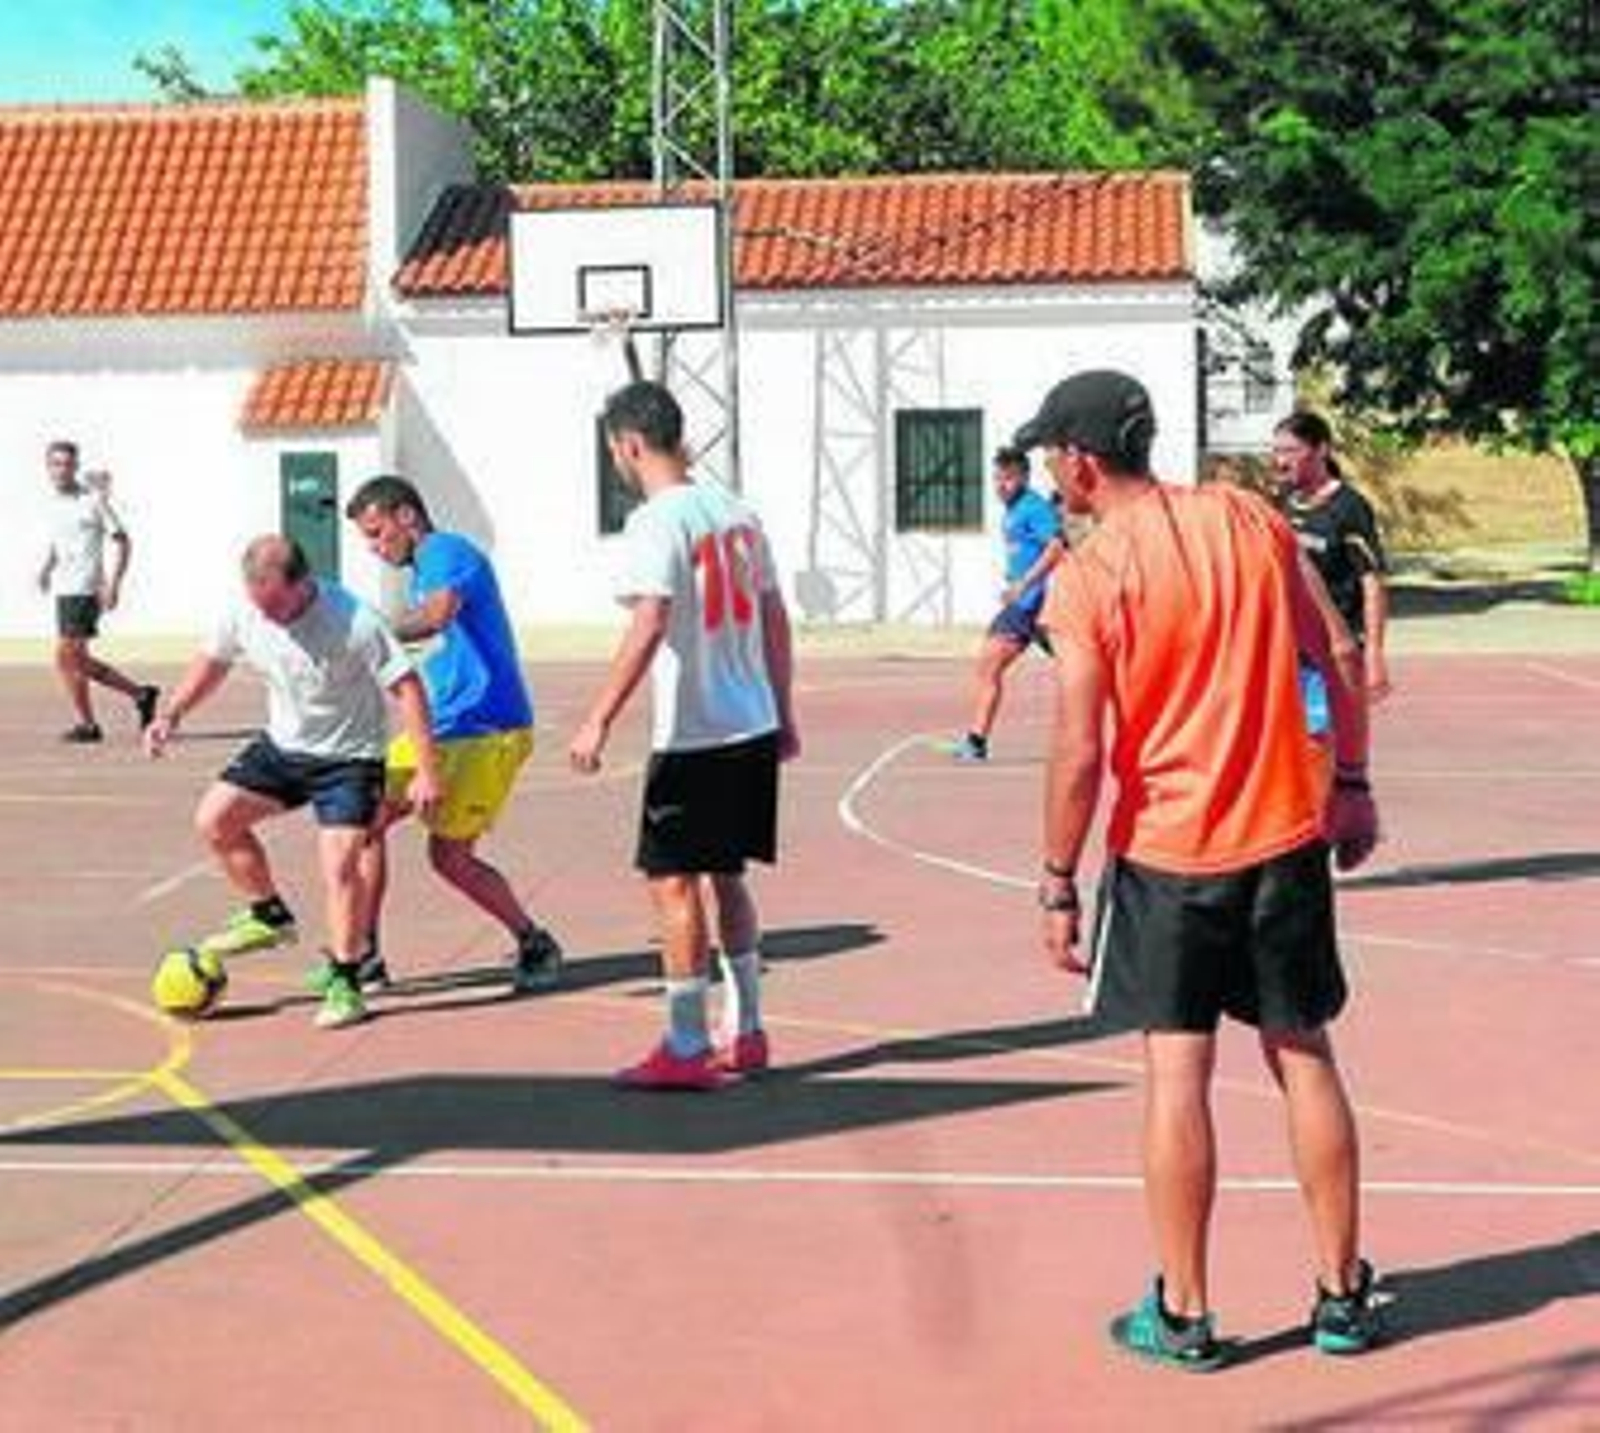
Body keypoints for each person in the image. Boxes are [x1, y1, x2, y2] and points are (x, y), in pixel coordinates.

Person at [1018, 370, 1383, 1368]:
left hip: (1168, 856)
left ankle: (1183, 1311)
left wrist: (1055, 877)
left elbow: (1079, 748)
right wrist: (1350, 779)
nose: (1053, 471)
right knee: (1302, 1053)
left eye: (1054, 454)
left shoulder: (1087, 579)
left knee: (1176, 1074)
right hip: (1280, 835)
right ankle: (1341, 1291)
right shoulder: (1249, 519)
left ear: (1083, 460)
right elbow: (1337, 649)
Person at [570, 380, 800, 1091]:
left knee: (673, 884)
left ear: (629, 444)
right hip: (751, 720)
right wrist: (784, 708)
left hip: (695, 732)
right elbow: (774, 616)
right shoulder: (738, 512)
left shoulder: (656, 521)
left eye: (615, 448)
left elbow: (649, 620)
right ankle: (750, 1028)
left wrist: (599, 715)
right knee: (728, 875)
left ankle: (686, 1041)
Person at [144, 536, 443, 1030]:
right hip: (284, 748)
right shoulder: (246, 611)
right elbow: (213, 661)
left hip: (350, 759)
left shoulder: (355, 620)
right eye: (261, 606)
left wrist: (427, 770)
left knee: (340, 865)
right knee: (215, 820)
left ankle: (347, 979)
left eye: (278, 605)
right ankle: (268, 914)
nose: (270, 617)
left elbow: (408, 689)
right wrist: (172, 712)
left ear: (304, 584)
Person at [340, 475, 563, 994]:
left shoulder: (445, 550)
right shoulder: (424, 568)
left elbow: (439, 616)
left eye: (377, 533)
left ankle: (534, 941)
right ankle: (364, 954)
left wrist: (367, 633)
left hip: (488, 730)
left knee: (450, 858)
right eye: (366, 540)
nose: (375, 548)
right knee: (360, 819)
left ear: (407, 517)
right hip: (441, 726)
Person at [35, 441, 158, 742]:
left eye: (67, 463)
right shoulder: (53, 503)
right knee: (75, 660)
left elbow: (124, 541)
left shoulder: (93, 501)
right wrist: (46, 568)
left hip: (85, 590)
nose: (62, 469)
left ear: (76, 466)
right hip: (64, 591)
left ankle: (89, 725)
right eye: (56, 463)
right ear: (48, 467)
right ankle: (140, 694)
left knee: (65, 658)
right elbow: (59, 542)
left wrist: (114, 584)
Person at [951, 446, 1066, 762]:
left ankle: (976, 744)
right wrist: (1014, 576)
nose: (1001, 485)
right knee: (990, 664)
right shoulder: (1013, 511)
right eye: (997, 479)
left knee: (990, 665)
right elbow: (1028, 551)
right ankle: (976, 742)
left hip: (1038, 604)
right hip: (1028, 607)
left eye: (1009, 479)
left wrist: (1024, 583)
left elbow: (1057, 548)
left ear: (1025, 478)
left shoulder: (1034, 507)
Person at [1272, 411, 1391, 703]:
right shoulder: (1283, 501)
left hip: (1334, 650)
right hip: (1289, 647)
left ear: (1321, 450)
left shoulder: (1349, 507)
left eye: (1290, 451)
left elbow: (1371, 581)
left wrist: (1374, 653)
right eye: (1276, 451)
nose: (1280, 461)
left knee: (1329, 741)